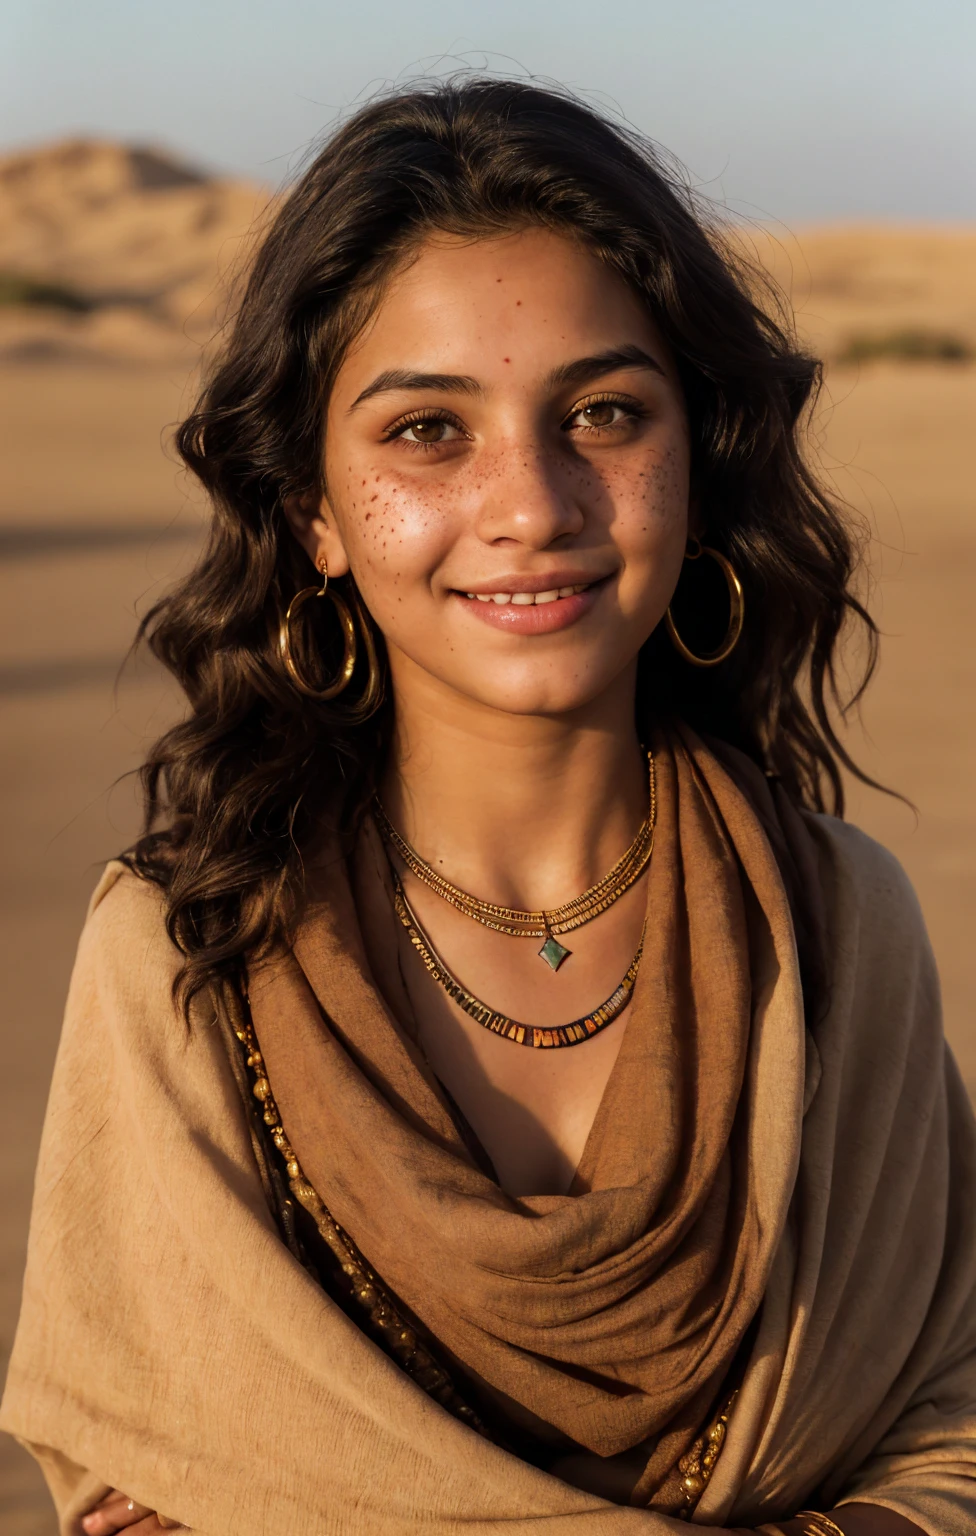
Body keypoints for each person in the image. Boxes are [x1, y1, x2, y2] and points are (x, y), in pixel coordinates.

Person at [2, 78, 974, 1536]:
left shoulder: (836, 928)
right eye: (424, 432)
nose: (532, 502)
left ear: (694, 470)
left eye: (602, 412)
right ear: (313, 512)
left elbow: (953, 1417)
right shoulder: (188, 952)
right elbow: (137, 1475)